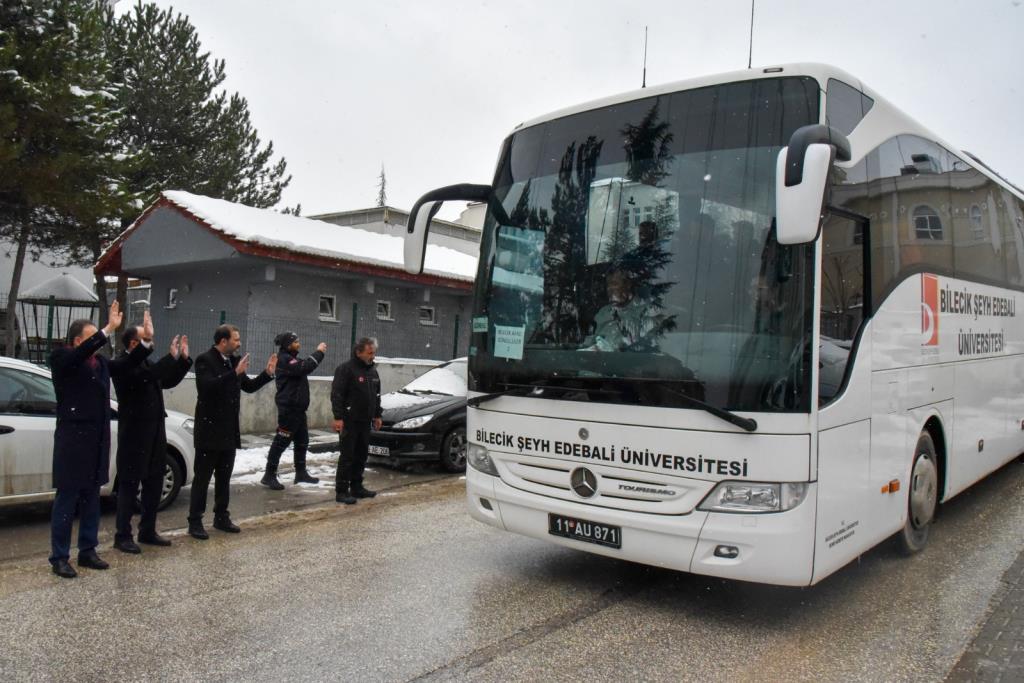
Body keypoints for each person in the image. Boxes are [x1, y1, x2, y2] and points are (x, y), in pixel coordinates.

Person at [48, 301, 150, 578]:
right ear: (79, 340)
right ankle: (59, 556)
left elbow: (127, 363)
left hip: (96, 440)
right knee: (67, 500)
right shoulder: (62, 359)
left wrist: (146, 343)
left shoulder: (101, 363)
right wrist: (106, 329)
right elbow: (79, 355)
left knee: (92, 498)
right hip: (73, 441)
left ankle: (87, 550)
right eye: (92, 337)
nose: (99, 343)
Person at [188, 324, 276, 539]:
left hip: (228, 430)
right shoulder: (205, 360)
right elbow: (207, 388)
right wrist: (233, 373)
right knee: (202, 479)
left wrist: (267, 374)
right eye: (235, 340)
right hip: (209, 431)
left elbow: (248, 386)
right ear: (223, 341)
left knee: (224, 477)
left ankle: (221, 516)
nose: (239, 343)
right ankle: (195, 521)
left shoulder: (234, 361)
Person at [110, 326, 193, 554]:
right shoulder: (123, 364)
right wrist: (170, 358)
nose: (151, 342)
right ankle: (122, 535)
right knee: (129, 485)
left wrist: (182, 361)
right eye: (146, 339)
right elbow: (147, 376)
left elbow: (164, 380)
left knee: (154, 481)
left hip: (155, 430)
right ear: (134, 344)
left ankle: (147, 530)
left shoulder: (145, 363)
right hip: (135, 432)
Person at [260, 331, 327, 490]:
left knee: (302, 441)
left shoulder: (292, 358)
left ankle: (301, 473)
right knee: (281, 442)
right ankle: (269, 475)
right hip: (289, 410)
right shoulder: (284, 359)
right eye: (296, 341)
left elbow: (302, 367)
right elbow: (304, 367)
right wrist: (319, 352)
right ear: (288, 344)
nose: (299, 343)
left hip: (298, 410)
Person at [330, 337, 382, 505]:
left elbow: (377, 395)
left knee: (361, 455)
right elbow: (337, 395)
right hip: (349, 420)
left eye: (373, 353)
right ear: (358, 352)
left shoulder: (372, 372)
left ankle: (357, 487)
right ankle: (342, 491)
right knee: (347, 456)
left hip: (365, 421)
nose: (372, 356)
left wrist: (377, 415)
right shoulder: (346, 369)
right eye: (369, 353)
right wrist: (338, 417)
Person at [583, 268, 667, 352]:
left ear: (628, 285)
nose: (610, 289)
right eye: (608, 285)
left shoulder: (647, 311)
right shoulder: (604, 312)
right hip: (599, 362)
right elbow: (591, 342)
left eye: (615, 283)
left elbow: (650, 348)